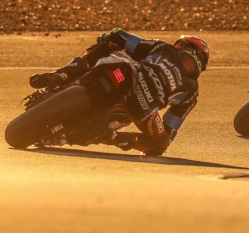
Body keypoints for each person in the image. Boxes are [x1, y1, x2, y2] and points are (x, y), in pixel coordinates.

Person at [28, 28, 209, 155]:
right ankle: (113, 137)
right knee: (161, 144)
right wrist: (144, 137)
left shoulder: (165, 48)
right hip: (142, 108)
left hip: (128, 75)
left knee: (107, 46)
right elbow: (170, 130)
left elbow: (125, 38)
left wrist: (109, 37)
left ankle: (61, 75)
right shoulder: (192, 92)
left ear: (181, 45)